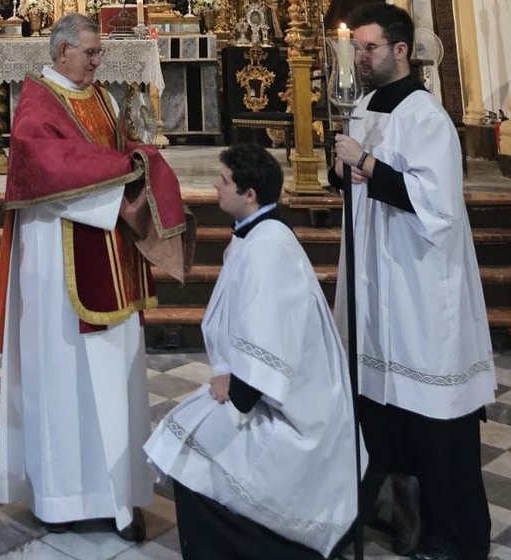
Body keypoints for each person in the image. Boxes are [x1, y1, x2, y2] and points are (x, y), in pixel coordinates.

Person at [0, 12, 191, 542]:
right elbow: (49, 165)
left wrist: (136, 180)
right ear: (61, 53)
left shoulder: (100, 96)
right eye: (90, 52)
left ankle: (120, 495)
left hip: (109, 254)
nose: (99, 60)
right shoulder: (36, 101)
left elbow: (116, 151)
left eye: (98, 52)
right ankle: (62, 498)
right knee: (63, 379)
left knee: (116, 376)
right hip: (59, 263)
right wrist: (117, 199)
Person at [332, 2, 495, 560]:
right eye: (356, 48)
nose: (360, 57)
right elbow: (356, 187)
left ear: (401, 51)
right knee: (382, 406)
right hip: (378, 278)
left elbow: (439, 204)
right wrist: (343, 170)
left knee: (436, 416)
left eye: (370, 48)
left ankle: (458, 536)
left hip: (421, 283)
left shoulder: (427, 116)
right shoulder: (365, 105)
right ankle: (397, 512)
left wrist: (370, 166)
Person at [145, 144, 360, 560]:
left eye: (223, 180)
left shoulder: (268, 247)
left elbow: (269, 340)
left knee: (195, 452)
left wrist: (238, 396)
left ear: (249, 195)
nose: (214, 186)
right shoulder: (258, 234)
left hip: (296, 412)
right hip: (271, 391)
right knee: (186, 429)